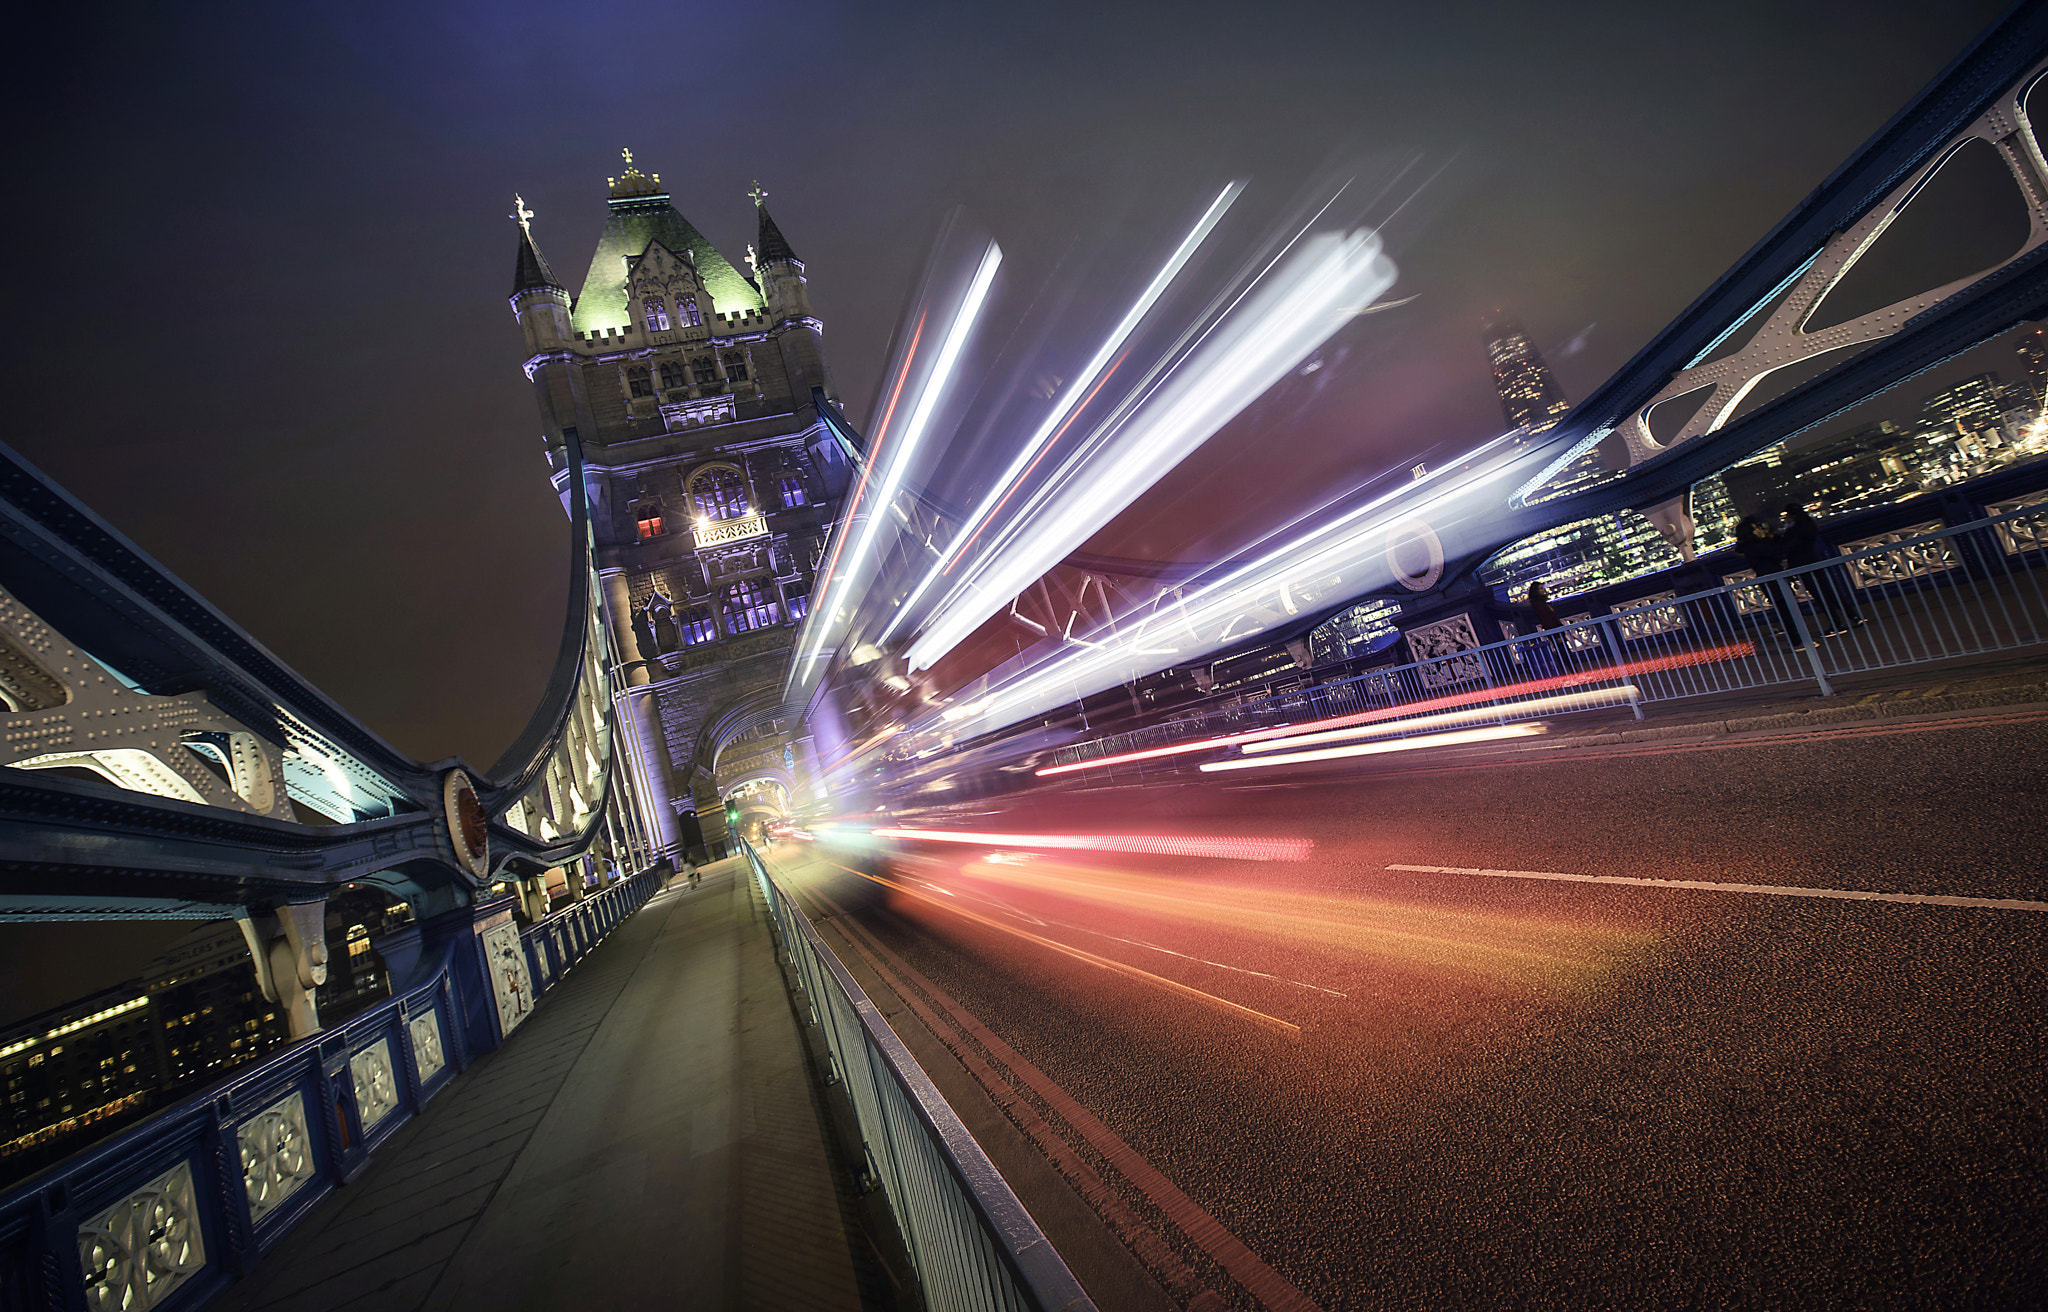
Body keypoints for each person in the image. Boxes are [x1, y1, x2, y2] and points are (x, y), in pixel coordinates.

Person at [1780, 503, 1863, 635]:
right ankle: (1854, 617)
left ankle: (1837, 624)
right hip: (1814, 561)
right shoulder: (1808, 525)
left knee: (1820, 596)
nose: (1785, 519)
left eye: (1786, 516)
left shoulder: (1793, 530)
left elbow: (1787, 546)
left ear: (1792, 516)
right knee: (1829, 592)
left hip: (1802, 566)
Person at [1733, 516, 1802, 644]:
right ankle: (1797, 640)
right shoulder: (1753, 546)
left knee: (1785, 609)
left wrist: (1769, 536)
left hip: (1771, 579)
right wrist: (1766, 538)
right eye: (1755, 528)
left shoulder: (1749, 546)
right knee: (1786, 610)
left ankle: (1797, 637)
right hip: (1773, 579)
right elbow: (1775, 551)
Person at [1523, 579, 1563, 676]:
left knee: (1562, 652)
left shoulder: (1541, 603)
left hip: (1556, 630)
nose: (1543, 591)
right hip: (1554, 631)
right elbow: (1546, 619)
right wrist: (1557, 634)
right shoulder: (1539, 604)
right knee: (1562, 653)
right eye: (1540, 589)